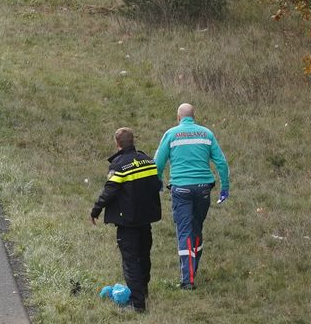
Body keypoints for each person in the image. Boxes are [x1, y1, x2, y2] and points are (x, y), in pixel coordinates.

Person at [154, 103, 230, 289]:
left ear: (178, 117)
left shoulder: (171, 134)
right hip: (204, 189)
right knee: (196, 228)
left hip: (181, 190)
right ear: (194, 116)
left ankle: (187, 280)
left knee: (185, 231)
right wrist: (224, 188)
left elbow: (158, 162)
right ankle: (192, 269)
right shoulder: (206, 134)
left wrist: (157, 183)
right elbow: (221, 162)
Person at [88, 127, 162, 313]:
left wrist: (96, 210)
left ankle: (137, 304)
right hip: (146, 219)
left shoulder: (119, 165)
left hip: (128, 221)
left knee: (130, 261)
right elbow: (155, 185)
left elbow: (109, 191)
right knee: (144, 256)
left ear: (117, 144)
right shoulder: (148, 161)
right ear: (133, 141)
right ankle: (143, 292)